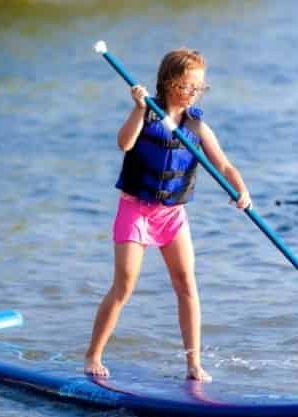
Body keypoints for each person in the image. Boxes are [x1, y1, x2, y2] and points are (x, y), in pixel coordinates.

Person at [85, 48, 252, 382]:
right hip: (135, 210)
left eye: (199, 88)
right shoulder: (147, 112)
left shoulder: (197, 125)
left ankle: (193, 364)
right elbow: (124, 143)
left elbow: (223, 164)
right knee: (124, 286)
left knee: (187, 284)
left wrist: (241, 189)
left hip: (172, 215)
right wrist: (137, 108)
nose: (193, 93)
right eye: (188, 86)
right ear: (168, 82)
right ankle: (93, 355)